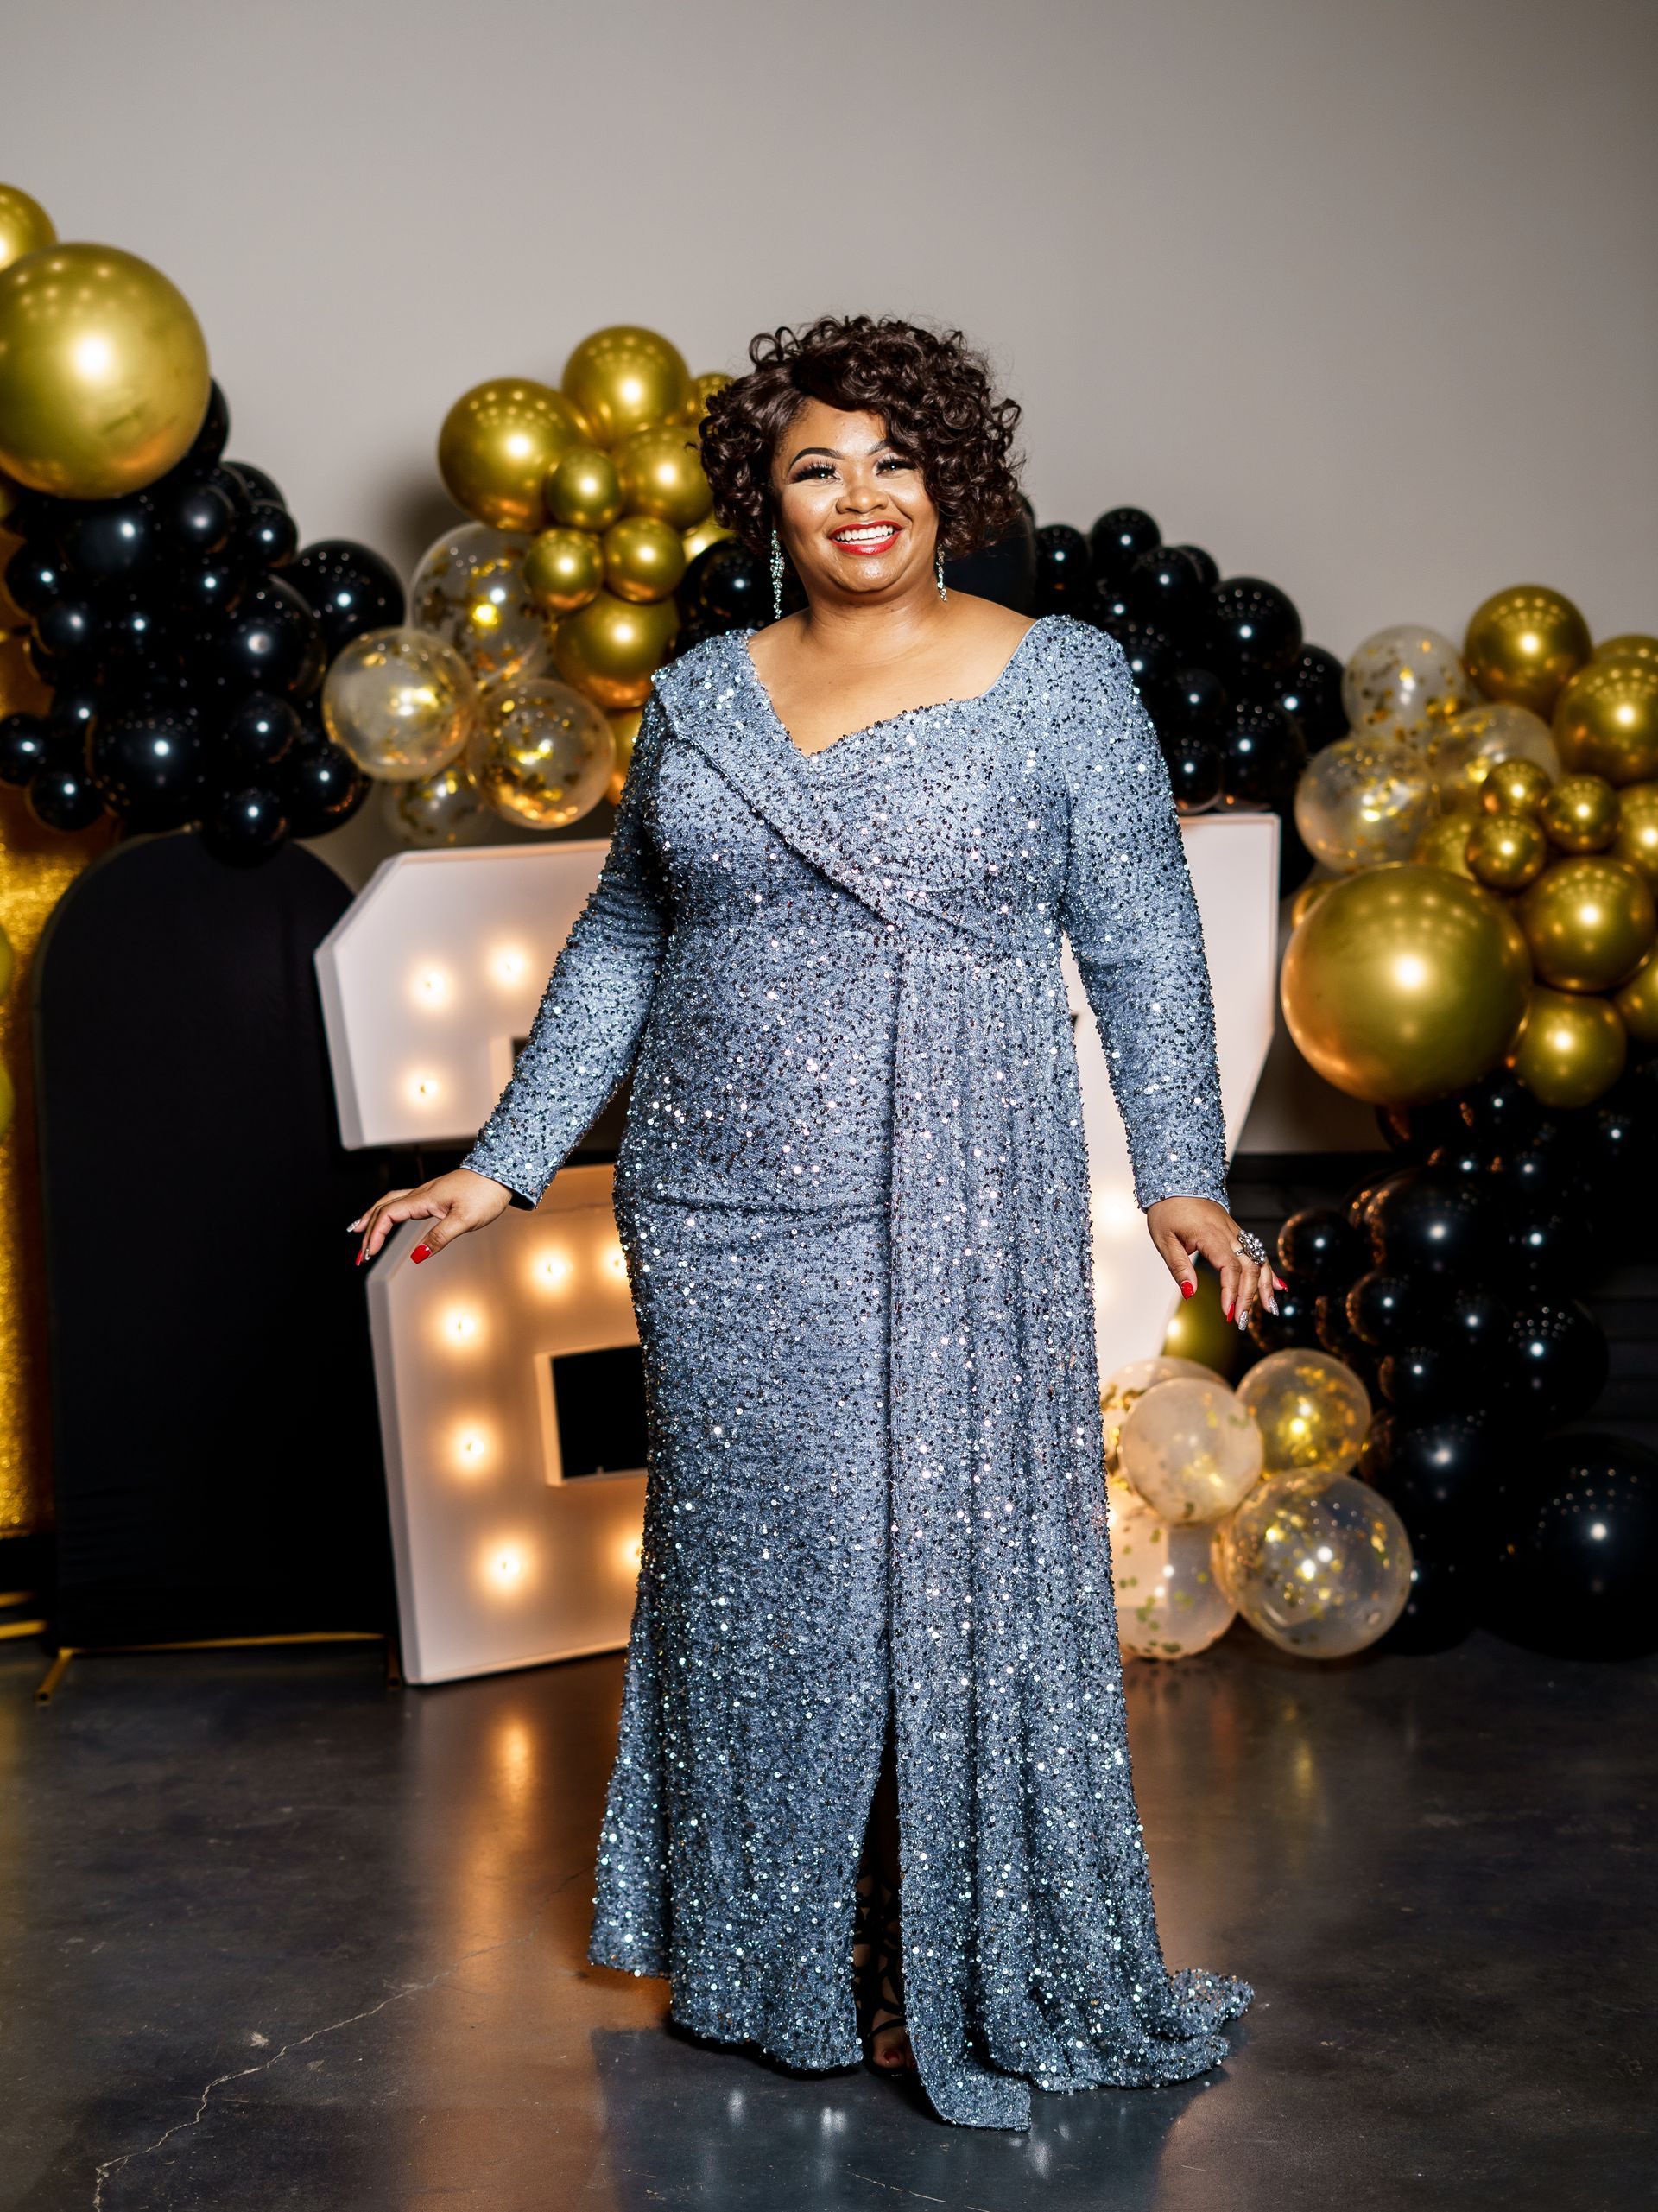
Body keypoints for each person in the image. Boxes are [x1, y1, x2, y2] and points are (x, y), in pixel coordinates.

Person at [350, 314, 1268, 2132]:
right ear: (768, 500)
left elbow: (1147, 938)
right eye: (818, 467)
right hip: (711, 1203)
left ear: (953, 484)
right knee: (769, 1591)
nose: (862, 499)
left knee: (916, 1578)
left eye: (895, 463)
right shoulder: (701, 695)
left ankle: (953, 1962)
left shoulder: (1060, 677)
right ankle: (783, 1958)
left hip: (954, 1188)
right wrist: (507, 1156)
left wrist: (1181, 1167)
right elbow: (623, 939)